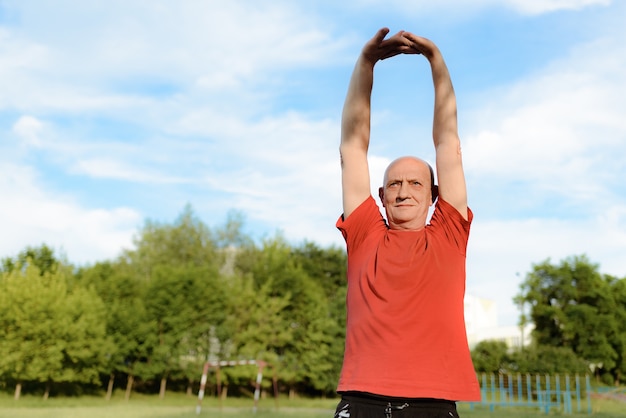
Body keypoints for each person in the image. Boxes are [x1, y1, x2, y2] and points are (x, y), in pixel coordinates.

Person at [334, 28, 481, 418]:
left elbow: (447, 143)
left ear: (434, 194)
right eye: (393, 184)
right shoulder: (365, 233)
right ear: (380, 196)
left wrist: (437, 62)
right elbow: (352, 145)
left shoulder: (449, 234)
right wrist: (366, 64)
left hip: (432, 402)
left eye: (415, 183)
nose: (403, 191)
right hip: (361, 397)